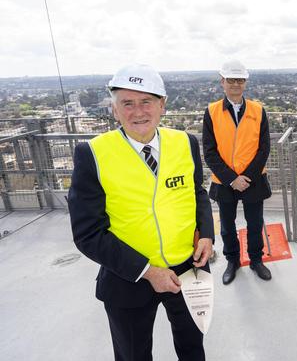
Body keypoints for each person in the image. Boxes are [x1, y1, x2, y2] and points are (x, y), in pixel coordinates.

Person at [68, 64, 214, 361]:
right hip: (128, 280)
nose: (138, 112)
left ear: (162, 105)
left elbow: (197, 193)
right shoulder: (93, 154)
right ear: (114, 110)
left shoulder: (186, 143)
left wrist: (207, 235)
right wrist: (148, 272)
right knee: (133, 355)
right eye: (127, 103)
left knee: (192, 349)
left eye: (146, 102)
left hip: (188, 270)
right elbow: (87, 233)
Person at [202, 60, 272, 285]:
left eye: (239, 80)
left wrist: (246, 178)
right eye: (231, 80)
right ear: (222, 82)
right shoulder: (211, 112)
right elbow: (210, 152)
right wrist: (232, 179)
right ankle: (232, 261)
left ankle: (256, 260)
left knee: (255, 223)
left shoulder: (258, 111)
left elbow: (264, 148)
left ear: (245, 83)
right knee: (227, 226)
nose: (235, 84)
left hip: (253, 180)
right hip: (225, 182)